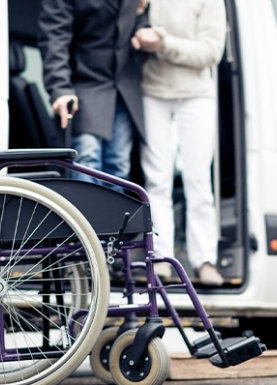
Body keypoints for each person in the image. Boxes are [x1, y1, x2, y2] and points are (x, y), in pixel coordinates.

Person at [133, 0, 227, 285]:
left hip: (196, 95)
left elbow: (210, 52)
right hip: (152, 93)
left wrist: (163, 44)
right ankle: (160, 257)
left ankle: (204, 260)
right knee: (156, 180)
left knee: (198, 180)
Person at [38, 0, 149, 183]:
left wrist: (142, 26)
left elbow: (138, 38)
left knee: (119, 167)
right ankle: (85, 212)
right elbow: (55, 37)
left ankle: (112, 213)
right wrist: (60, 87)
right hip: (85, 83)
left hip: (123, 90)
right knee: (87, 159)